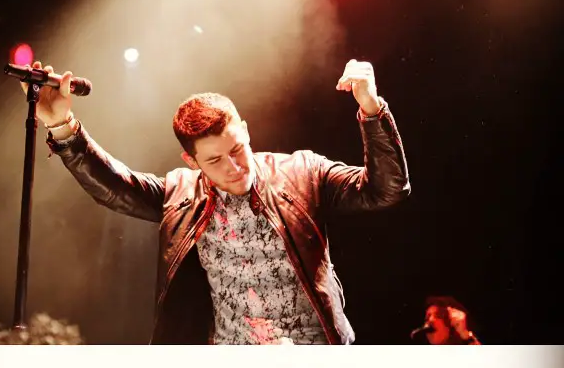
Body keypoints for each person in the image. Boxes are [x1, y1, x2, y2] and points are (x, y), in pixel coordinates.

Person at [21, 58, 410, 344]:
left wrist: (371, 108)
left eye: (237, 149)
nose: (234, 167)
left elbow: (386, 190)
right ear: (191, 161)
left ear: (245, 130)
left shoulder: (302, 172)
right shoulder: (180, 194)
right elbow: (114, 187)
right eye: (214, 160)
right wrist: (61, 125)